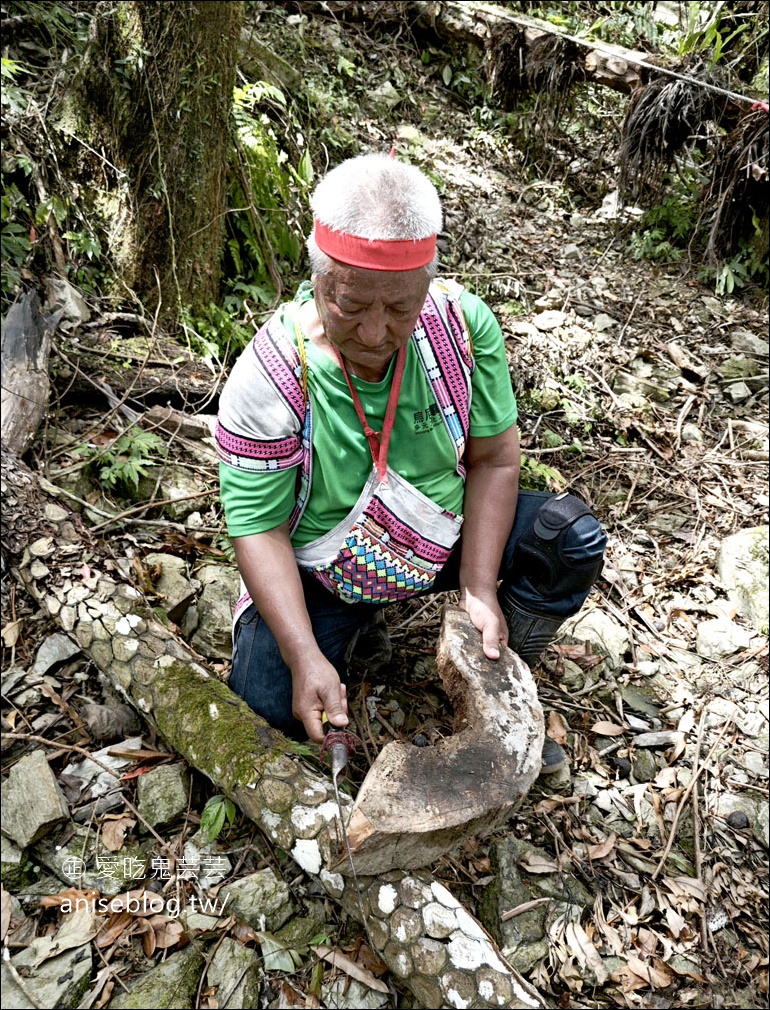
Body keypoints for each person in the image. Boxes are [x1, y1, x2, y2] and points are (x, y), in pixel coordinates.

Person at [216, 153, 606, 772]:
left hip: (437, 540)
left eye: (400, 309)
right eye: (350, 306)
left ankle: (502, 677)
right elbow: (258, 528)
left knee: (568, 540)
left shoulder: (461, 329)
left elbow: (496, 462)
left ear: (428, 280)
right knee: (267, 705)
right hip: (327, 571)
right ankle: (351, 627)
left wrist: (479, 585)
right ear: (318, 278)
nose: (375, 332)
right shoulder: (270, 374)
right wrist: (301, 654)